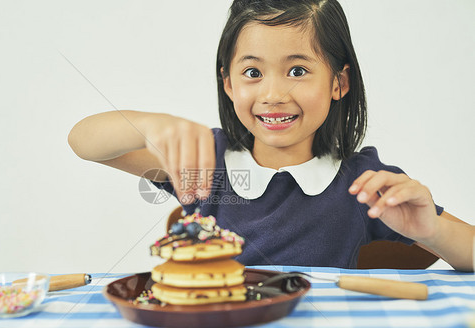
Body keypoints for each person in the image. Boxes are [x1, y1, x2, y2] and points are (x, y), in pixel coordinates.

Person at [68, 0, 474, 270]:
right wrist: (152, 124)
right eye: (253, 73)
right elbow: (84, 143)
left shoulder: (362, 182)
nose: (273, 95)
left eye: (298, 70)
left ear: (339, 82)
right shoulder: (201, 160)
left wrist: (433, 232)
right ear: (228, 85)